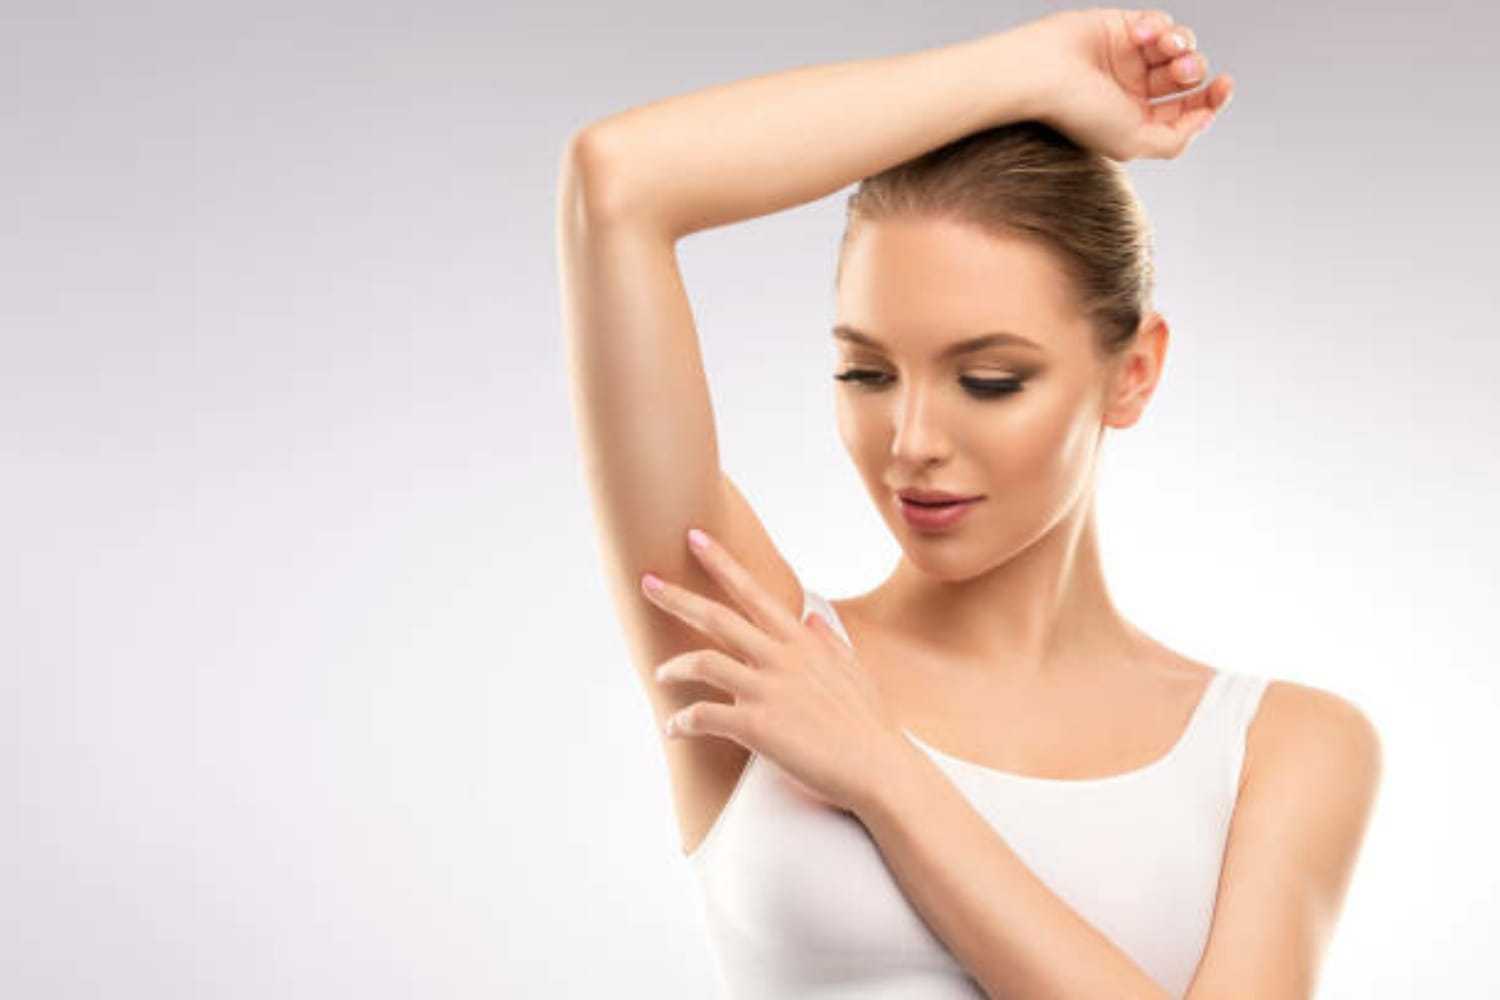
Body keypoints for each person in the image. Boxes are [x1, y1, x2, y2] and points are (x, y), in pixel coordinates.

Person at [557, 7, 1382, 997]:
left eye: (988, 380)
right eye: (866, 373)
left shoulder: (1283, 748)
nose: (911, 443)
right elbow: (619, 184)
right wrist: (1032, 70)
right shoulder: (756, 647)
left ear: (1134, 372)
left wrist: (890, 776)